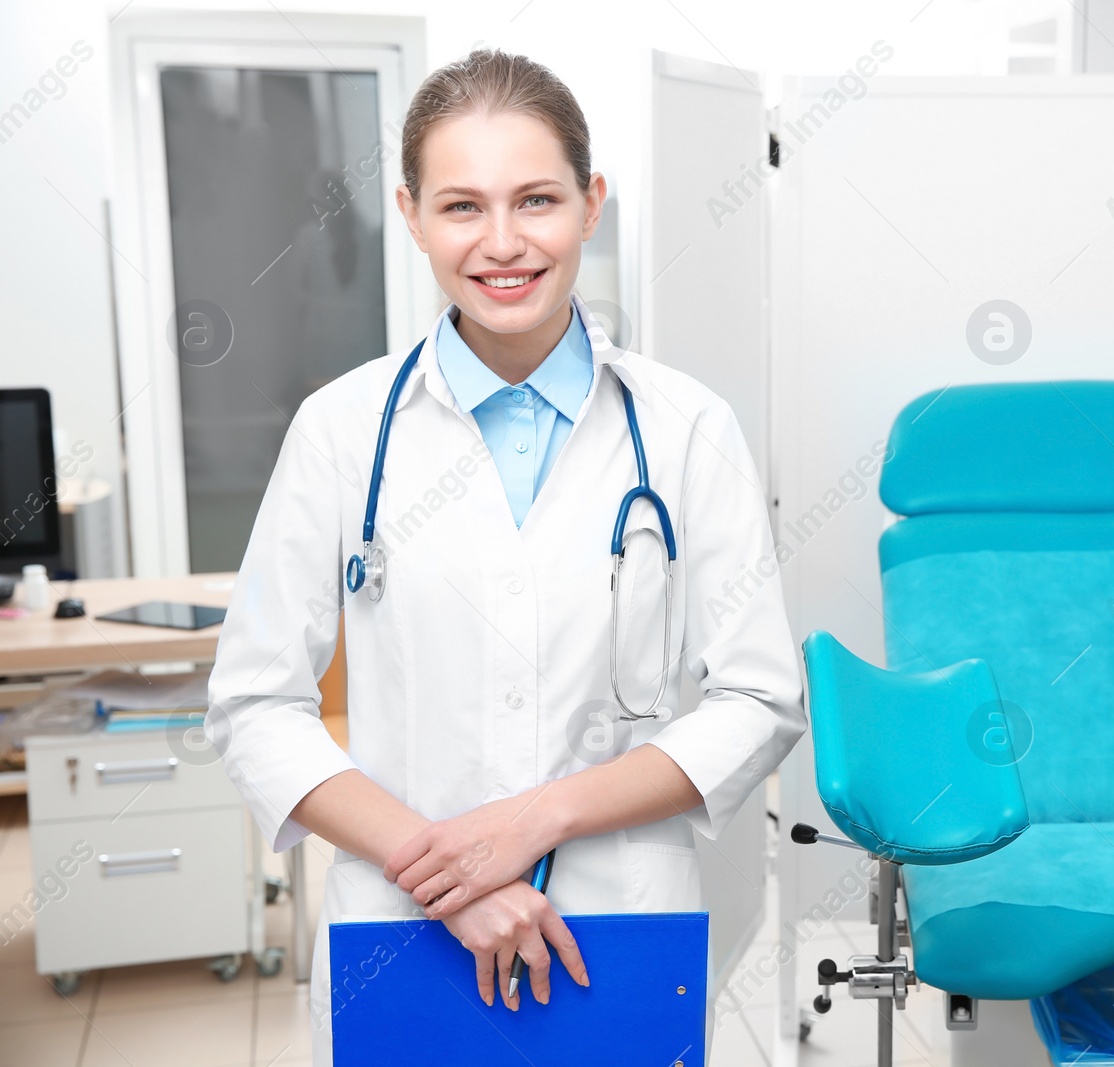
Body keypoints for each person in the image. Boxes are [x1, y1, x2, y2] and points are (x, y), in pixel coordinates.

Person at [205, 47, 806, 1065]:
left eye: (535, 199)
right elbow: (255, 702)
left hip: (618, 927)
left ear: (591, 203)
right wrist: (442, 870)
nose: (502, 242)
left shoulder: (686, 427)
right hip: (406, 921)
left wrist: (533, 819)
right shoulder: (341, 429)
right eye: (461, 206)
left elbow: (759, 698)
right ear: (409, 215)